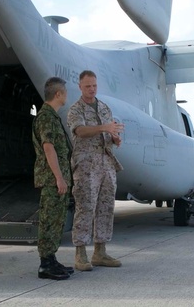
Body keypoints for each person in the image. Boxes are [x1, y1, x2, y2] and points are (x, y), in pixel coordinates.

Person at [66, 69, 124, 272]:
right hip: (86, 166)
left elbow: (110, 135)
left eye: (94, 86)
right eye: (88, 86)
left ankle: (100, 251)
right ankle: (80, 253)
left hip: (106, 164)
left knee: (106, 207)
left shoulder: (105, 108)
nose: (92, 89)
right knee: (85, 207)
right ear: (80, 87)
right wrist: (104, 128)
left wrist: (115, 138)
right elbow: (80, 131)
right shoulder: (76, 110)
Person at [32, 77, 74, 280]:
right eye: (65, 91)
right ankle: (45, 264)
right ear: (58, 94)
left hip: (56, 178)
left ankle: (51, 259)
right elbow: (48, 148)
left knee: (56, 220)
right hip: (51, 179)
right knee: (49, 221)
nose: (66, 94)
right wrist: (59, 177)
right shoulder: (46, 117)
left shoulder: (52, 116)